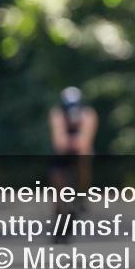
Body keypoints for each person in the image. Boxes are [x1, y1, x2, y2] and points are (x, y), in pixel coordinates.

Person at [48, 86, 97, 242]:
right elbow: (59, 143)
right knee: (59, 191)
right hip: (61, 158)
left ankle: (82, 194)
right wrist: (74, 142)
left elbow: (85, 143)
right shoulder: (57, 114)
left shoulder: (88, 114)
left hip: (79, 157)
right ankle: (59, 221)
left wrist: (76, 142)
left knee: (85, 157)